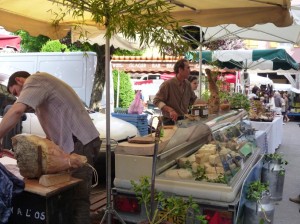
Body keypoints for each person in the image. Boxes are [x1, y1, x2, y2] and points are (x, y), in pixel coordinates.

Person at [0, 71, 101, 224]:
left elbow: (16, 110)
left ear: (20, 81)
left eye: (16, 93)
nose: (17, 98)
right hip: (78, 142)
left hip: (80, 143)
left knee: (77, 200)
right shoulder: (42, 88)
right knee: (69, 198)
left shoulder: (35, 80)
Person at [153, 59, 197, 125]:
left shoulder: (187, 84)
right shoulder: (167, 84)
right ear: (180, 70)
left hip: (184, 120)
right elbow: (156, 101)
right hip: (169, 121)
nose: (189, 70)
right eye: (187, 68)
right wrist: (170, 110)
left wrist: (209, 104)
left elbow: (194, 100)